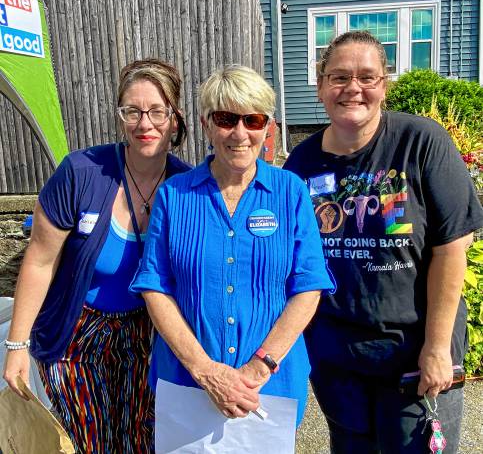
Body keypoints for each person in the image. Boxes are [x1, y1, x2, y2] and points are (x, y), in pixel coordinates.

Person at [283, 30, 483, 453]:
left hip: (413, 354)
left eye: (366, 77)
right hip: (338, 360)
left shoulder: (421, 142)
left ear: (384, 85)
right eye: (338, 77)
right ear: (320, 86)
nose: (352, 88)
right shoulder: (302, 163)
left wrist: (436, 347)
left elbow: (451, 249)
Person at [129, 64, 335, 433]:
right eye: (226, 119)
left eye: (252, 120)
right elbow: (154, 285)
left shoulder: (290, 192)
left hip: (271, 386)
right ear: (207, 124)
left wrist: (259, 367)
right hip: (187, 384)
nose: (239, 133)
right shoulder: (174, 196)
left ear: (267, 127)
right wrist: (206, 371)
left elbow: (309, 286)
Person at [3, 59, 191, 453]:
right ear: (120, 115)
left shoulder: (188, 185)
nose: (145, 123)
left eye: (157, 111)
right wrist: (16, 347)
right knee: (93, 441)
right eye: (133, 111)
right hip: (76, 334)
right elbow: (39, 261)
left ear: (175, 118)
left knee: (143, 439)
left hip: (148, 334)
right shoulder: (82, 172)